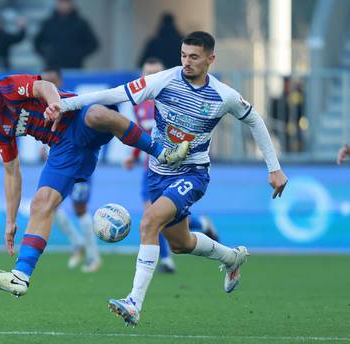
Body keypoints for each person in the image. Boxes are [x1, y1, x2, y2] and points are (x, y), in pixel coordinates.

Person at [54, 31, 288, 325]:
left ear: (210, 59)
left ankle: (134, 302)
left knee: (150, 220)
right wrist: (67, 104)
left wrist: (274, 166)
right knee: (180, 243)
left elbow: (254, 119)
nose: (186, 62)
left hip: (193, 174)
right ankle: (231, 258)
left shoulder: (223, 95)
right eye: (183, 55)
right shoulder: (164, 80)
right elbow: (115, 93)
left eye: (194, 57)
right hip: (157, 173)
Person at [0, 59, 189, 297]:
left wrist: (56, 106)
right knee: (41, 203)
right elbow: (12, 171)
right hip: (63, 149)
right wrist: (10, 221)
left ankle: (162, 153)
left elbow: (44, 87)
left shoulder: (9, 87)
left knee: (96, 113)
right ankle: (20, 276)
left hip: (78, 118)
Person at [124, 57, 218, 274]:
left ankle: (169, 257)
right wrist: (134, 155)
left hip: (175, 168)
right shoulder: (140, 104)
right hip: (151, 166)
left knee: (156, 215)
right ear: (142, 76)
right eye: (148, 73)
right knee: (155, 215)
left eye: (156, 73)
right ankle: (197, 230)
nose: (151, 77)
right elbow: (143, 134)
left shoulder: (171, 99)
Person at [40, 67, 101, 273]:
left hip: (79, 164)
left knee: (79, 208)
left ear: (60, 81)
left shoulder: (72, 102)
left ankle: (93, 257)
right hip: (59, 166)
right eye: (45, 82)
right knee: (49, 206)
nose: (49, 86)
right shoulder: (42, 107)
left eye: (53, 81)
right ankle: (77, 243)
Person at [34, 0, 98, 69]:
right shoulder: (48, 23)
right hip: (53, 68)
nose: (64, 5)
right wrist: (47, 54)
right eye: (61, 2)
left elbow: (93, 44)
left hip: (74, 67)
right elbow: (37, 42)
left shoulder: (81, 23)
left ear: (71, 4)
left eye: (66, 2)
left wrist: (78, 55)